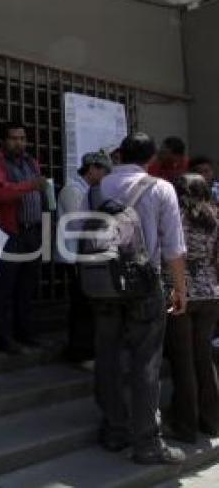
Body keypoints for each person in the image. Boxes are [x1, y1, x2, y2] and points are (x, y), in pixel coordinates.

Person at [91, 132, 188, 465]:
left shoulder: (100, 186)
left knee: (107, 356)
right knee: (145, 361)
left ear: (119, 155)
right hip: (145, 285)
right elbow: (174, 247)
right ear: (150, 159)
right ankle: (147, 443)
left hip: (103, 283)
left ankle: (114, 429)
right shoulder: (161, 189)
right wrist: (180, 288)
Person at [163, 173, 219, 444]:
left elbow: (175, 256)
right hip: (211, 294)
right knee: (204, 358)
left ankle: (184, 425)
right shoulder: (215, 216)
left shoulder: (178, 218)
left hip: (182, 294)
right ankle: (210, 421)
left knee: (183, 361)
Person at [0, 121, 48, 354]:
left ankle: (25, 334)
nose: (19, 142)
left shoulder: (32, 162)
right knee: (5, 288)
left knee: (26, 287)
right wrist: (29, 186)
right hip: (10, 234)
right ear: (4, 140)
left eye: (22, 138)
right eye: (13, 138)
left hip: (32, 232)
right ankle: (3, 338)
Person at [56, 152, 112, 367]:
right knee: (81, 305)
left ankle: (86, 349)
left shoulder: (88, 190)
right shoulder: (72, 190)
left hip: (85, 254)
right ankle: (81, 353)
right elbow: (79, 223)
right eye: (104, 172)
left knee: (87, 303)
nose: (105, 178)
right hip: (74, 255)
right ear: (92, 169)